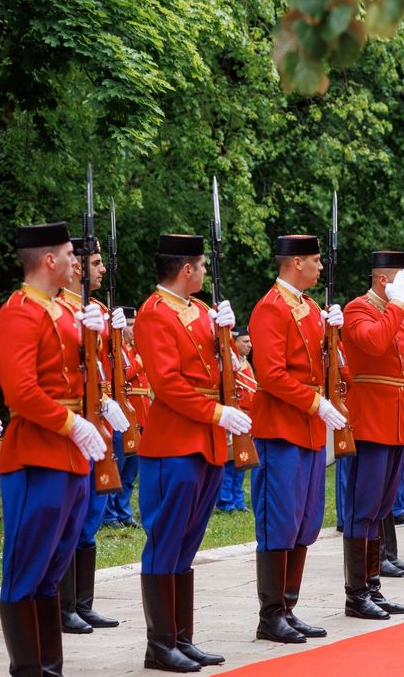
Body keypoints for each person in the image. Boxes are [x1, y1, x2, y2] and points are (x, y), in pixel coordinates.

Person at [0, 222, 105, 675]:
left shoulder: (63, 310)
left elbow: (82, 376)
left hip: (70, 456)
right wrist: (71, 423)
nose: (77, 263)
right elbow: (21, 393)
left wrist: (97, 337)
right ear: (49, 260)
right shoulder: (19, 312)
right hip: (37, 456)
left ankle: (50, 669)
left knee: (51, 572)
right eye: (70, 254)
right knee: (26, 572)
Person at [134, 233, 250, 671]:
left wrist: (225, 335)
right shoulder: (154, 313)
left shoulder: (200, 310)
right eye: (201, 266)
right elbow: (168, 384)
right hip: (175, 442)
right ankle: (160, 644)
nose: (204, 273)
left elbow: (219, 368)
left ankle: (182, 637)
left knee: (187, 544)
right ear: (187, 270)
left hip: (206, 441)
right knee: (166, 543)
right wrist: (216, 412)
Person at [246, 234, 347, 643]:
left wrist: (336, 336)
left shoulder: (310, 308)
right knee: (280, 520)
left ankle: (288, 606)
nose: (321, 267)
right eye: (316, 260)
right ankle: (270, 615)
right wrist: (315, 402)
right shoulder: (271, 307)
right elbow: (271, 374)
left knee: (306, 520)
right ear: (296, 262)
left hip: (307, 428)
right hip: (281, 428)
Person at [56, 237, 130, 634]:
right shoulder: (59, 308)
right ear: (77, 266)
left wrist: (119, 339)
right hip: (73, 426)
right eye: (96, 262)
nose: (103, 269)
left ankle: (83, 603)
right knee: (72, 515)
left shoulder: (98, 309)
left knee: (92, 514)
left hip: (99, 423)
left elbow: (107, 370)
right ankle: (63, 605)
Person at [340, 251, 404, 620]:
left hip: (397, 420)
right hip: (372, 420)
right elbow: (374, 343)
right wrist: (398, 306)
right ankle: (356, 594)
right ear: (383, 280)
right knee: (363, 509)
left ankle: (372, 586)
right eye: (402, 278)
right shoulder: (359, 308)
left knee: (380, 509)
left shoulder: (394, 311)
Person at [103, 306, 148, 529]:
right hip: (123, 413)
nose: (133, 329)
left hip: (140, 415)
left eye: (134, 325)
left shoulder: (138, 347)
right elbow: (122, 374)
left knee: (131, 470)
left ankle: (124, 512)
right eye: (129, 324)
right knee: (118, 466)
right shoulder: (118, 348)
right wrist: (140, 361)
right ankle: (109, 514)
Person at [215, 326, 256, 513]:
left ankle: (238, 501)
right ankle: (226, 502)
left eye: (250, 341)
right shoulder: (229, 363)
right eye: (245, 341)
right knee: (230, 461)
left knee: (242, 460)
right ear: (235, 342)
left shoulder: (246, 363)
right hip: (233, 414)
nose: (250, 345)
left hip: (247, 417)